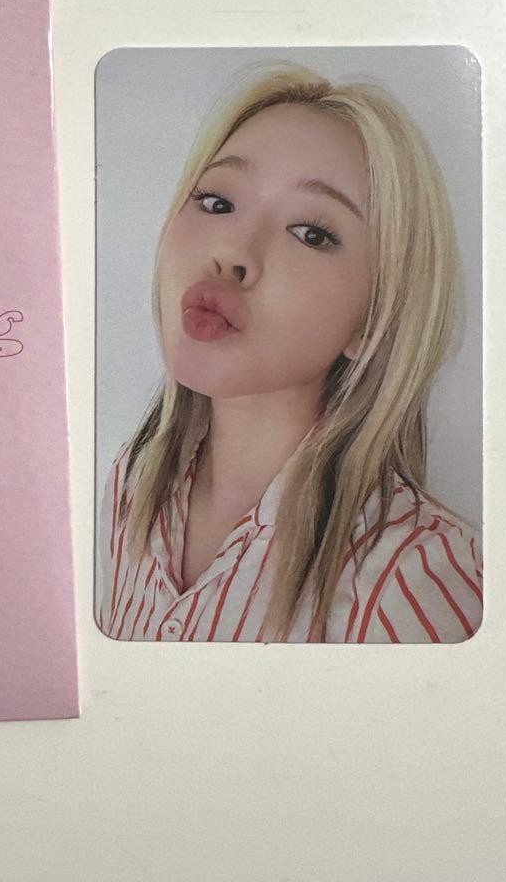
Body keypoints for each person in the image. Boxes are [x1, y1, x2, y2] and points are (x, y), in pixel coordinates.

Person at [95, 64, 483, 643]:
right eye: (217, 202)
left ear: (374, 316)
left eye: (312, 234)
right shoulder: (131, 484)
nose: (233, 252)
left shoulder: (415, 579)